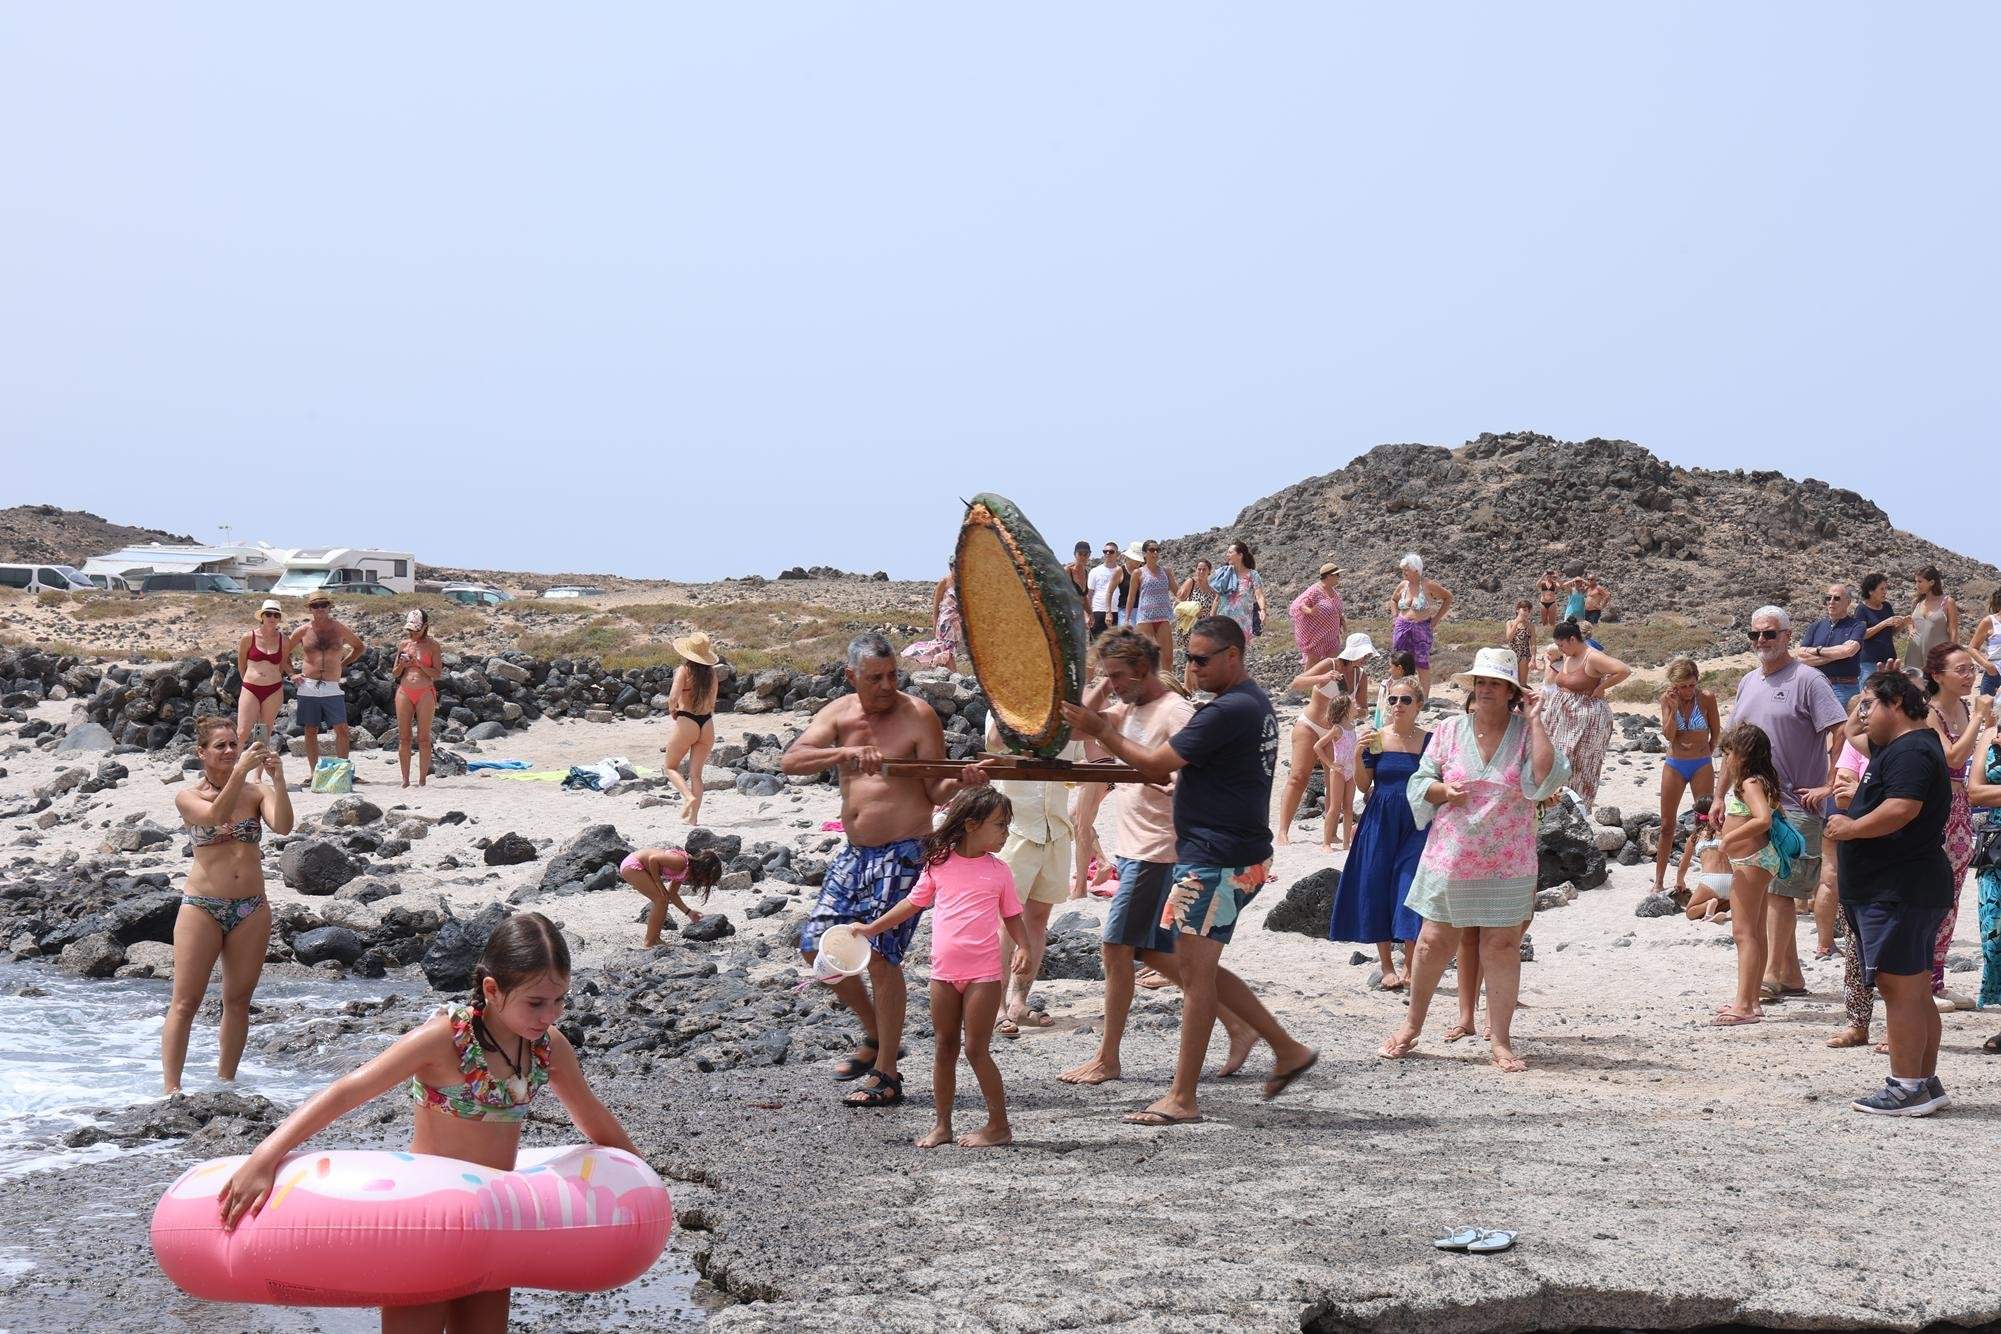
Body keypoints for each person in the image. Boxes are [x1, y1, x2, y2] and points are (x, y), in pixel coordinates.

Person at [217, 913, 640, 1330]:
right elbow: (348, 1091)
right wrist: (264, 1157)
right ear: (492, 990)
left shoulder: (549, 1049)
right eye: (536, 1003)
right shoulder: (445, 1039)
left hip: (492, 1224)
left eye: (559, 1000)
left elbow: (592, 1118)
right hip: (426, 1225)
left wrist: (640, 1180)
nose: (550, 1015)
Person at [1060, 615, 1318, 1124]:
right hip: (1221, 855)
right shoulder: (1247, 705)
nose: (1192, 668)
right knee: (1190, 966)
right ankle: (1285, 1048)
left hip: (1216, 859)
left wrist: (1100, 732)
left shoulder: (1225, 711)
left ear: (1232, 656)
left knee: (1194, 976)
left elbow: (1156, 766)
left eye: (1202, 659)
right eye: (1190, 658)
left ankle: (1183, 1097)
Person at [784, 633, 992, 1109]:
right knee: (816, 946)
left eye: (892, 675)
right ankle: (878, 1035)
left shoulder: (917, 715)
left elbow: (936, 789)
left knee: (879, 957)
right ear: (851, 677)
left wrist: (964, 781)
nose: (885, 685)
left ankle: (888, 1077)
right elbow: (791, 759)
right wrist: (844, 755)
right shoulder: (838, 714)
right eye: (874, 677)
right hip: (855, 854)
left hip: (904, 852)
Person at [1057, 629, 1257, 1086]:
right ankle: (1238, 1022)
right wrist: (1104, 686)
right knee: (1155, 953)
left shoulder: (1175, 711)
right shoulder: (1126, 708)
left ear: (1143, 670)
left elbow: (1200, 770)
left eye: (1119, 676)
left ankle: (1108, 1058)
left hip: (1160, 851)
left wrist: (1171, 783)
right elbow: (1074, 728)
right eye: (1109, 677)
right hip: (1134, 848)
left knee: (1115, 947)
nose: (1114, 684)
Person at [1380, 647, 1567, 1072]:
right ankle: (1412, 1025)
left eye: (1495, 683)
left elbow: (1544, 777)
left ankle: (1500, 1039)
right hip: (1452, 854)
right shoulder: (1447, 731)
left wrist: (1537, 720)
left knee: (1501, 944)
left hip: (1508, 858)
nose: (1485, 689)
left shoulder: (1525, 733)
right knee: (1432, 942)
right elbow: (1420, 780)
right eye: (1480, 682)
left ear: (1510, 692)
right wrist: (1442, 792)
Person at [857, 787, 1030, 1148]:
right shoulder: (939, 864)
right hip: (943, 974)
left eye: (1007, 826)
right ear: (970, 825)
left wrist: (1025, 947)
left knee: (976, 1050)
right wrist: (872, 928)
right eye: (1000, 825)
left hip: (984, 975)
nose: (1005, 833)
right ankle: (942, 1126)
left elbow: (1012, 915)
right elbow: (912, 903)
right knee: (944, 1047)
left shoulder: (999, 871)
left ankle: (999, 1125)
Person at [1824, 670, 1956, 1115]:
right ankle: (1923, 1081)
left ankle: (1906, 1086)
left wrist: (1851, 827)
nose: (1863, 714)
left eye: (1870, 704)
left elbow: (1902, 808)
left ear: (1896, 702)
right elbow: (1852, 735)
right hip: (1901, 886)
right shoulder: (1904, 746)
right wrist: (1861, 713)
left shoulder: (1913, 751)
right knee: (1913, 987)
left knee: (1899, 987)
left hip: (1898, 887)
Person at [163, 717, 293, 1095]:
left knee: (237, 1001)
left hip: (251, 907)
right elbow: (215, 816)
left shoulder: (255, 794)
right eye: (220, 746)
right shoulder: (188, 797)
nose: (230, 751)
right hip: (202, 905)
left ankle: (226, 1084)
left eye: (233, 744)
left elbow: (283, 825)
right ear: (201, 753)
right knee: (186, 1002)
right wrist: (240, 772)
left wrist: (278, 779)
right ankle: (171, 1090)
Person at [1729, 605, 1845, 1003]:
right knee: (1767, 888)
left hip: (1795, 802)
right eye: (1756, 635)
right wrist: (1717, 794)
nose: (1762, 641)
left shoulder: (1809, 680)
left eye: (1770, 634)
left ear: (1787, 635)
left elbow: (1840, 731)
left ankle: (1771, 976)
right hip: (1754, 801)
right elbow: (1734, 747)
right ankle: (1789, 974)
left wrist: (1829, 785)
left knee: (1780, 892)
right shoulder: (1747, 682)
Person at [1330, 679, 1429, 988]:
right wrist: (1359, 755)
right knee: (1376, 884)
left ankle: (1412, 968)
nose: (1397, 704)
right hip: (1380, 819)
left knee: (1408, 887)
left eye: (1405, 700)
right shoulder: (1376, 738)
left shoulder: (1430, 741)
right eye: (1393, 699)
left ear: (1419, 706)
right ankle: (1387, 966)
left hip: (1417, 821)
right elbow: (1363, 786)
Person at [984, 715, 1078, 1032]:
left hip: (1056, 829)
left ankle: (1019, 1002)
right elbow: (995, 742)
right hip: (1016, 829)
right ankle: (995, 1008)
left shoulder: (1069, 708)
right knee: (1003, 921)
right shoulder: (1006, 706)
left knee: (1038, 918)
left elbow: (1089, 753)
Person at [1923, 644, 1990, 1008]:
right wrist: (1979, 720)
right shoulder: (1929, 712)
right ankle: (1922, 982)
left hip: (1961, 806)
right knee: (1931, 891)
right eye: (1961, 670)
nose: (1969, 676)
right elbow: (1952, 756)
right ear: (1938, 675)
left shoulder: (1963, 707)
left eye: (1971, 669)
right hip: (1938, 809)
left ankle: (1937, 977)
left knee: (1952, 892)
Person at [1710, 723, 1788, 1026]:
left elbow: (1763, 819)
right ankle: (1752, 1000)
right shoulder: (1762, 779)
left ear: (1741, 754)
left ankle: (1743, 1004)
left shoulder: (1749, 784)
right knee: (1755, 931)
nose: (1726, 760)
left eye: (1728, 753)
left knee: (1743, 934)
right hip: (1758, 860)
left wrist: (1728, 840)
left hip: (1750, 862)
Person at [1534, 620, 1630, 812]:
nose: (1560, 649)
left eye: (1561, 645)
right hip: (1563, 719)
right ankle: (1553, 806)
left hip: (1586, 721)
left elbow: (1624, 670)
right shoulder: (1570, 656)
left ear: (1572, 640)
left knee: (1579, 766)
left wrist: (1601, 688)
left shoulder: (1592, 657)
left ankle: (1577, 809)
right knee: (1555, 761)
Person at [1653, 658, 1720, 893]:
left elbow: (1716, 732)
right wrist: (1671, 709)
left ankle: (1709, 879)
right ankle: (1659, 880)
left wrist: (1706, 753)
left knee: (1706, 822)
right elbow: (1669, 736)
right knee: (1666, 825)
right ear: (1674, 685)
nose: (1688, 691)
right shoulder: (1667, 699)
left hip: (1701, 764)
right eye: (1683, 686)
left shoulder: (1707, 698)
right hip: (1675, 764)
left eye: (1692, 685)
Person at [285, 594, 365, 782]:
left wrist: (342, 664)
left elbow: (359, 647)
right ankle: (314, 773)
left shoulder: (339, 628)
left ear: (329, 607)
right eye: (315, 606)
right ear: (310, 609)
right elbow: (283, 652)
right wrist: (291, 674)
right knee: (310, 730)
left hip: (331, 686)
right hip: (308, 685)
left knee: (342, 729)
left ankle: (343, 772)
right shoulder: (303, 631)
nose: (319, 608)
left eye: (323, 605)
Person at [662, 632, 722, 825]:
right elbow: (713, 702)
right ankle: (693, 819)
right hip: (707, 723)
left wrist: (673, 712)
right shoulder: (712, 673)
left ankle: (688, 796)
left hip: (688, 720)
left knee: (670, 767)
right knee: (696, 775)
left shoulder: (684, 670)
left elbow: (673, 697)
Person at [618, 846, 722, 947]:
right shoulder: (681, 862)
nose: (704, 882)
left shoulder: (685, 871)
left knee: (664, 899)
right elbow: (653, 860)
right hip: (633, 865)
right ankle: (649, 941)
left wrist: (688, 912)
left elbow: (672, 894)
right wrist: (658, 883)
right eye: (707, 879)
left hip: (640, 867)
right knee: (660, 900)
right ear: (703, 870)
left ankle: (655, 938)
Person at [1384, 553, 1452, 698]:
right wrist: (1395, 616)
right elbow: (1393, 599)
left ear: (1416, 570)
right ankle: (1396, 693)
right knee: (1398, 661)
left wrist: (1436, 619)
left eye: (1406, 569)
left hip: (1422, 628)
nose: (1403, 572)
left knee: (1422, 663)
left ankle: (1423, 698)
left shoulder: (1428, 585)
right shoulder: (1403, 585)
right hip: (1402, 627)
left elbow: (1448, 597)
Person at [393, 609, 443, 788]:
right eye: (410, 630)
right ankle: (405, 780)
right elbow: (395, 673)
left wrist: (419, 664)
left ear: (425, 627)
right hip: (405, 690)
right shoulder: (404, 644)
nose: (413, 633)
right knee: (404, 738)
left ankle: (422, 779)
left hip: (425, 691)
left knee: (423, 738)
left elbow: (437, 673)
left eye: (416, 630)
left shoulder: (433, 646)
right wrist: (402, 665)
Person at [1795, 583, 1867, 708]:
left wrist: (1815, 651)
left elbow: (1849, 650)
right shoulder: (1815, 626)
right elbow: (1801, 657)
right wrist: (1838, 654)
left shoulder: (1857, 626)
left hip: (1844, 689)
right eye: (1828, 598)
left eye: (1837, 598)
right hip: (1815, 686)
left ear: (1848, 602)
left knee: (1842, 727)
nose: (1831, 602)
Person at [1307, 696, 1360, 851]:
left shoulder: (1352, 726)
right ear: (1345, 709)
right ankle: (1326, 843)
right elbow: (1318, 746)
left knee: (1349, 808)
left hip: (1351, 771)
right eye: (1353, 704)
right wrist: (1330, 764)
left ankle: (1346, 843)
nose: (1356, 705)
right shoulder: (1337, 729)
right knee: (1335, 807)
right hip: (1338, 771)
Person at [234, 599, 289, 747]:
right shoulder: (248, 637)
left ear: (279, 619)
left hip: (274, 690)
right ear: (262, 616)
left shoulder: (283, 640)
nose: (272, 618)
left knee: (263, 733)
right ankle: (235, 769)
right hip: (251, 688)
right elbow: (241, 664)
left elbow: (282, 665)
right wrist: (248, 683)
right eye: (269, 614)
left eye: (276, 615)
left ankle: (258, 770)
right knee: (242, 732)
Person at [1671, 798, 1731, 923]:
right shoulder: (1727, 830)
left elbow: (1684, 865)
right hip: (1732, 880)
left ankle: (1709, 903)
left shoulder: (1694, 837)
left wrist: (1680, 882)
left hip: (1710, 880)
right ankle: (1715, 909)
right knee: (1729, 901)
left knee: (1691, 911)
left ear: (1697, 816)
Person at [1127, 540, 1179, 666]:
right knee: (1146, 659)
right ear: (1144, 553)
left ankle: (1167, 685)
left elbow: (1177, 592)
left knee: (1167, 659)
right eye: (1151, 550)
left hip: (1163, 617)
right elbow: (1131, 597)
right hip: (1145, 619)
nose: (1155, 553)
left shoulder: (1166, 571)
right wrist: (1127, 619)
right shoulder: (1138, 573)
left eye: (1157, 550)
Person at [1288, 563, 1347, 671]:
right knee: (1313, 662)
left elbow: (1336, 609)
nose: (1339, 577)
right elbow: (1299, 604)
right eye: (1337, 575)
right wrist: (1310, 611)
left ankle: (1326, 685)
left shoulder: (1333, 591)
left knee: (1331, 662)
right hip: (1317, 636)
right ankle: (1306, 685)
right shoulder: (1315, 590)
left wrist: (1341, 620)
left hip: (1331, 636)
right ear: (1329, 576)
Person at [1902, 565, 1959, 672]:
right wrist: (1910, 628)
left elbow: (1953, 630)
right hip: (1914, 654)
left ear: (1932, 582)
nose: (1916, 585)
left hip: (1937, 655)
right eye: (1916, 581)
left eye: (1920, 582)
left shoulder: (1947, 602)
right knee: (1913, 685)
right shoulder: (1917, 602)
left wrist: (1952, 653)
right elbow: (1912, 621)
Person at [1209, 541, 1265, 643]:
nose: (1227, 555)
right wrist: (1211, 618)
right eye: (1227, 552)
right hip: (1224, 620)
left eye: (1230, 552)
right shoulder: (1224, 573)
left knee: (1238, 653)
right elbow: (1217, 598)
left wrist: (1262, 610)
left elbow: (1259, 596)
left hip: (1243, 622)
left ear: (1240, 555)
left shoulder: (1252, 575)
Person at [1854, 572, 1905, 680]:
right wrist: (1884, 623)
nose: (1885, 592)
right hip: (1869, 662)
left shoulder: (1887, 606)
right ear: (1871, 591)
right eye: (1882, 589)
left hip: (1889, 660)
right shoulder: (1861, 609)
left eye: (1886, 589)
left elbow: (1891, 633)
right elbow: (1862, 635)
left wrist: (1903, 624)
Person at [1965, 587, 2001, 698]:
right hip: (1994, 677)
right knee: (1988, 714)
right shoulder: (1989, 621)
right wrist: (1988, 666)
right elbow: (1972, 647)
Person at [1086, 540, 1127, 638]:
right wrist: (1087, 615)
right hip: (1098, 611)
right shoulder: (1095, 571)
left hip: (1117, 612)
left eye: (1111, 551)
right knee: (1097, 646)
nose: (1108, 553)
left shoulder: (1122, 571)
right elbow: (1089, 594)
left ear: (1117, 554)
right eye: (1105, 551)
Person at [1504, 601, 1535, 686]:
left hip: (1524, 655)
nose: (1526, 613)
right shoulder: (1510, 623)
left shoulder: (1530, 625)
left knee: (1522, 683)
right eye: (1524, 610)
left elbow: (1533, 644)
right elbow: (1509, 637)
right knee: (1511, 682)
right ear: (1517, 610)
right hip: (1512, 655)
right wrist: (1517, 622)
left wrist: (1533, 659)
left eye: (1528, 611)